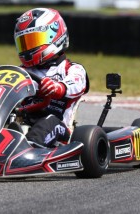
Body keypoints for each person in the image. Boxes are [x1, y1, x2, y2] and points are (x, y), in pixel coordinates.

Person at [14, 8, 89, 148]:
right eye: (24, 43)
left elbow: (76, 83)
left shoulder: (71, 69)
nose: (27, 48)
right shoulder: (20, 72)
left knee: (48, 121)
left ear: (54, 37)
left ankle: (29, 149)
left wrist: (58, 87)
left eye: (32, 41)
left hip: (59, 128)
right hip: (23, 121)